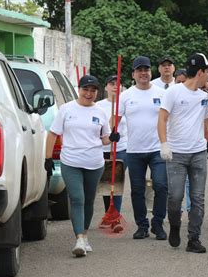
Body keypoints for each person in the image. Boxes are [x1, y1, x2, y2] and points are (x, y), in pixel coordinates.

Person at [44, 75, 120, 257]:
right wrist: (47, 158)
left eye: (93, 90)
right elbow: (53, 133)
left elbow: (103, 139)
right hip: (71, 162)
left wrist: (112, 138)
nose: (89, 93)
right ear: (79, 89)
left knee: (88, 200)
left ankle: (85, 235)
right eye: (85, 89)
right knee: (77, 198)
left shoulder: (101, 112)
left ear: (97, 92)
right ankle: (78, 238)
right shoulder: (66, 109)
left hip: (94, 163)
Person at [158, 53, 208, 253]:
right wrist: (164, 144)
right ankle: (175, 226)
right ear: (200, 72)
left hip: (198, 153)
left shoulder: (203, 97)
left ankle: (194, 238)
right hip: (176, 153)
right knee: (175, 197)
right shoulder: (174, 92)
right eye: (207, 71)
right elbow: (162, 119)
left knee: (198, 198)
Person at [117, 56, 168, 240]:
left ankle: (158, 223)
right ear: (133, 74)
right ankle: (142, 225)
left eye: (146, 69)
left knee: (161, 185)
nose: (143, 73)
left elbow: (170, 117)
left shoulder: (162, 93)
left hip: (157, 148)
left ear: (150, 72)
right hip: (134, 150)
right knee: (137, 189)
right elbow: (115, 119)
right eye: (139, 70)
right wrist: (112, 132)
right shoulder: (125, 95)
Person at [96, 75, 128, 231]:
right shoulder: (98, 106)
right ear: (106, 87)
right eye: (111, 83)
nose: (115, 86)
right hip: (103, 149)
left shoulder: (125, 104)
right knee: (107, 183)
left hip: (121, 148)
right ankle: (108, 214)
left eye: (118, 83)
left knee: (117, 183)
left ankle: (116, 218)